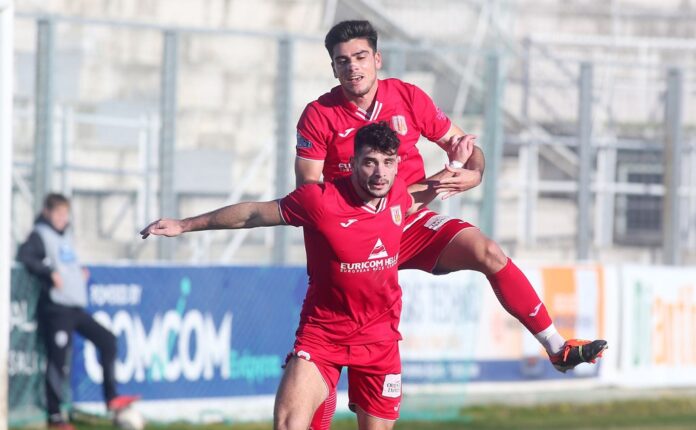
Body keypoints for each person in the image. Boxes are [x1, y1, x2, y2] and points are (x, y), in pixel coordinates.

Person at [295, 19, 607, 384]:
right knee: (326, 351)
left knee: (488, 252)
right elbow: (309, 192)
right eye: (342, 61)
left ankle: (557, 348)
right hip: (351, 237)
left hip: (409, 222)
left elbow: (467, 148)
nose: (353, 67)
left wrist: (474, 172)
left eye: (360, 57)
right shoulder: (319, 114)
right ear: (333, 68)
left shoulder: (408, 97)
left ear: (377, 59)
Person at [141, 122, 472, 430]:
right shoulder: (320, 201)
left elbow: (417, 195)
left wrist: (456, 165)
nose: (380, 173)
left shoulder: (396, 193)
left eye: (388, 162)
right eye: (370, 162)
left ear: (398, 164)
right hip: (323, 336)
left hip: (380, 342)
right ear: (353, 163)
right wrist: (184, 225)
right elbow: (253, 214)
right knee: (289, 424)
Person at [17, 193, 139, 430]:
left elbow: (66, 263)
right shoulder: (39, 235)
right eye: (58, 213)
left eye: (66, 213)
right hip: (56, 309)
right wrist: (48, 273)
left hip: (74, 307)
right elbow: (25, 256)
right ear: (47, 212)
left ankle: (111, 397)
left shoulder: (66, 235)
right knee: (57, 362)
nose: (63, 218)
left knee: (108, 340)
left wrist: (78, 272)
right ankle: (54, 418)